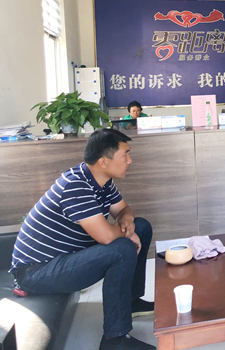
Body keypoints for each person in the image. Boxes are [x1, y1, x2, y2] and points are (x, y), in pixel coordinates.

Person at [10, 129, 155, 350]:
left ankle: (131, 302)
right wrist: (126, 232)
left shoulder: (101, 181)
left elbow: (124, 209)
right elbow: (106, 236)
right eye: (125, 154)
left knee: (141, 226)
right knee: (122, 249)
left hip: (64, 257)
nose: (130, 160)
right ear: (103, 161)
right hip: (36, 272)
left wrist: (126, 221)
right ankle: (114, 340)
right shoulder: (76, 185)